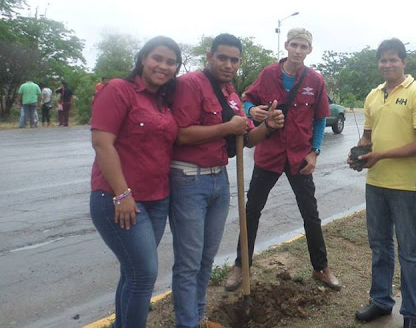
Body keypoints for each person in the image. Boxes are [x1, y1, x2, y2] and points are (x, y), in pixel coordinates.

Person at [170, 33, 284, 328]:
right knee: (189, 262)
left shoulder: (232, 96)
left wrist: (267, 126)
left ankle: (198, 318)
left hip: (219, 181)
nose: (228, 64)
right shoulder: (190, 84)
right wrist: (227, 127)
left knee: (206, 258)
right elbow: (181, 134)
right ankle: (187, 323)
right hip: (189, 179)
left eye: (234, 60)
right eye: (222, 58)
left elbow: (245, 140)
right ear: (209, 57)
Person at [223, 28, 341, 294]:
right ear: (286, 45)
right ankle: (241, 265)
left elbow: (320, 119)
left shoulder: (315, 80)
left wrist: (315, 151)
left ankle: (321, 267)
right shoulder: (268, 74)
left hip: (300, 156)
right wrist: (252, 110)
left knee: (310, 213)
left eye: (303, 46)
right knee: (252, 210)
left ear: (309, 50)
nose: (298, 50)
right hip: (269, 154)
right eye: (294, 45)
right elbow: (247, 101)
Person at [90, 36, 182, 328]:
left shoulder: (163, 101)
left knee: (132, 273)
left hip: (157, 200)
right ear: (143, 59)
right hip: (119, 199)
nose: (163, 66)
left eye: (171, 62)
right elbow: (102, 143)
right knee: (143, 275)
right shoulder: (119, 89)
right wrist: (122, 194)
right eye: (157, 58)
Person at [348, 38, 416, 328]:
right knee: (380, 246)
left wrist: (381, 155)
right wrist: (359, 153)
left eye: (393, 59)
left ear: (404, 62)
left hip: (406, 186)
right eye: (383, 60)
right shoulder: (373, 95)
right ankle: (381, 301)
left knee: (408, 251)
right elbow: (368, 135)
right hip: (375, 183)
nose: (387, 64)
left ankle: (412, 314)